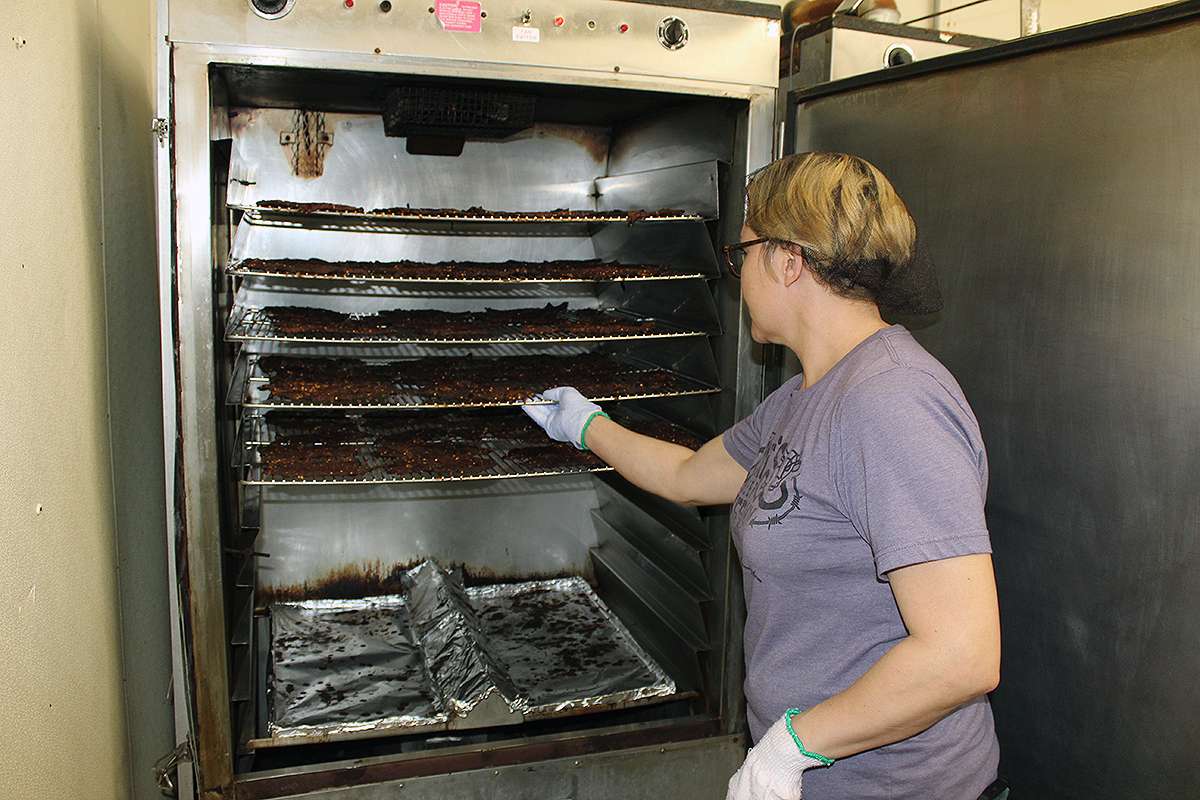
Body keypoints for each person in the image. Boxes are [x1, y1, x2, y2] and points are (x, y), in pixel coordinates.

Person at [522, 152, 1000, 800]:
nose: (737, 273)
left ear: (788, 259)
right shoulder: (803, 399)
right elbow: (690, 475)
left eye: (740, 252)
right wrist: (583, 425)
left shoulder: (893, 403)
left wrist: (795, 745)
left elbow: (962, 656)